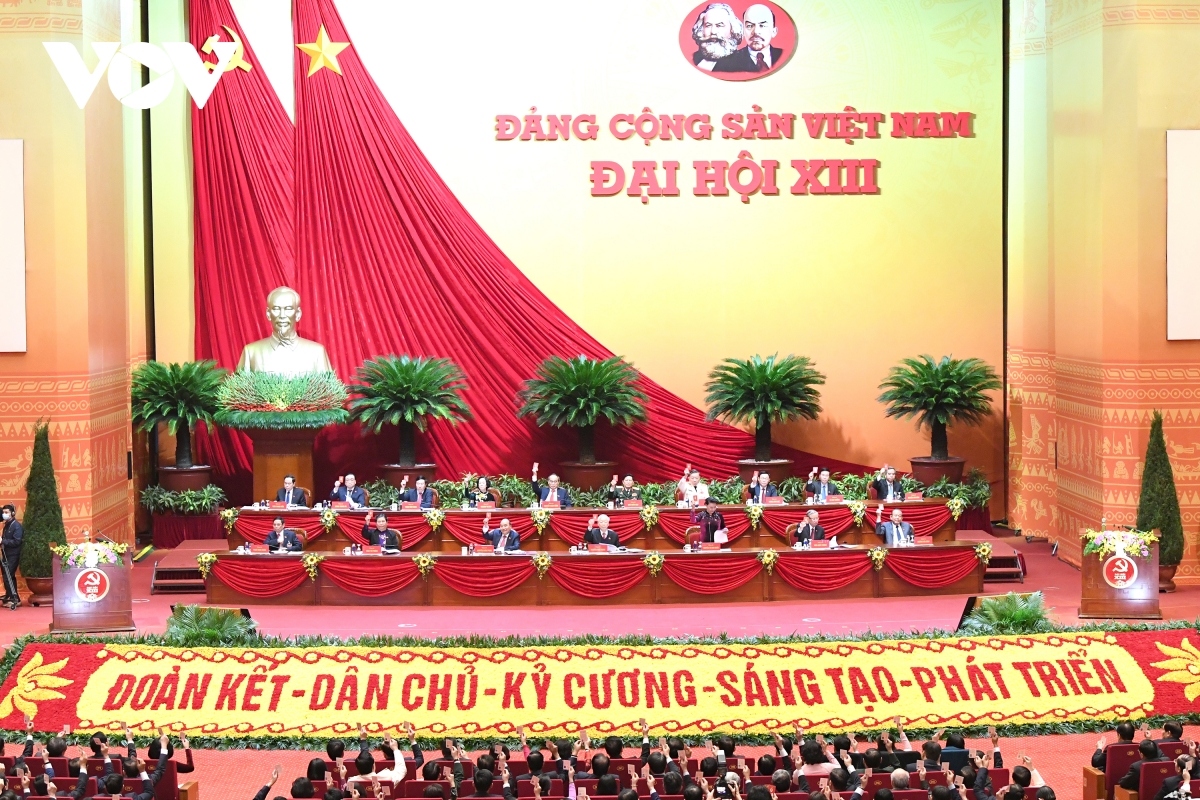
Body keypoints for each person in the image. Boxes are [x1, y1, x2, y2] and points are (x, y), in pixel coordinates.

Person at [237, 286, 334, 376]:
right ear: (268, 314)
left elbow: (329, 392)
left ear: (298, 314)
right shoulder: (251, 353)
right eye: (276, 309)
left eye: (288, 309)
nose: (282, 315)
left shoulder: (317, 353)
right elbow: (238, 392)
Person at [713, 4, 783, 74]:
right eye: (749, 26)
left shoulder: (782, 56)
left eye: (762, 26)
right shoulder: (726, 63)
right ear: (743, 30)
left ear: (774, 32)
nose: (756, 31)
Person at [689, 3, 742, 72]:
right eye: (708, 25)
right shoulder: (693, 58)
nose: (713, 32)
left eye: (719, 25)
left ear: (732, 30)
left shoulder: (741, 63)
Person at [1, 503, 23, 610]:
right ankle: (10, 595)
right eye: (3, 512)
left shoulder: (17, 526)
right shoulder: (7, 524)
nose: (4, 514)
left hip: (13, 555)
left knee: (8, 576)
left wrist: (3, 541)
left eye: (6, 512)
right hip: (5, 554)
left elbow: (17, 541)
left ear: (12, 513)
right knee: (8, 576)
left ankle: (16, 599)